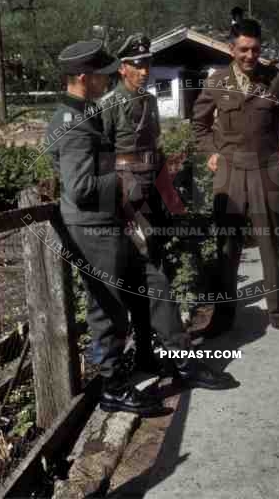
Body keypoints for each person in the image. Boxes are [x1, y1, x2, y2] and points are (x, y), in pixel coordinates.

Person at [97, 34, 237, 390]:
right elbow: (101, 161)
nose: (145, 71)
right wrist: (118, 204)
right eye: (138, 64)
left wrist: (169, 198)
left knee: (151, 276)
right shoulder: (109, 104)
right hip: (126, 202)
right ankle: (181, 359)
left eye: (148, 64)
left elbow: (155, 153)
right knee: (154, 280)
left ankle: (147, 353)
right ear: (122, 67)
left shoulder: (148, 101)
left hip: (150, 200)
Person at [192, 18, 279, 339]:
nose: (249, 55)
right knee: (227, 246)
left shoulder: (277, 80)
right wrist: (211, 152)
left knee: (270, 242)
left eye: (255, 49)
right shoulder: (217, 81)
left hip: (266, 169)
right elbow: (199, 125)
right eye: (243, 49)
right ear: (232, 49)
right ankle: (224, 315)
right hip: (229, 172)